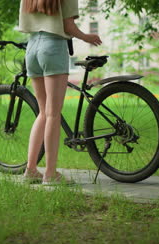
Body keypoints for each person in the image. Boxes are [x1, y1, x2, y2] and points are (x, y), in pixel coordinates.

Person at [19, 0, 102, 185]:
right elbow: (68, 25)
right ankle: (50, 174)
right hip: (53, 47)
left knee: (43, 112)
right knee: (53, 114)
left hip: (31, 48)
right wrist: (87, 37)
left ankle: (30, 170)